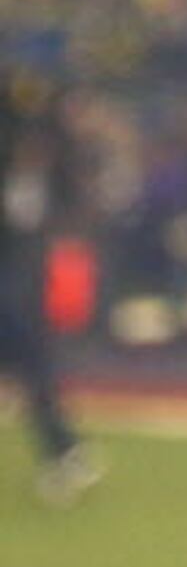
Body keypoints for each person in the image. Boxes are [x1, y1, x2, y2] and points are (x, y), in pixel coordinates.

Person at [1, 69, 104, 508]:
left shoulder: (48, 178)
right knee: (33, 373)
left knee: (34, 371)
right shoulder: (20, 169)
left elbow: (44, 225)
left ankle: (67, 453)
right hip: (17, 279)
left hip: (21, 283)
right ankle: (67, 453)